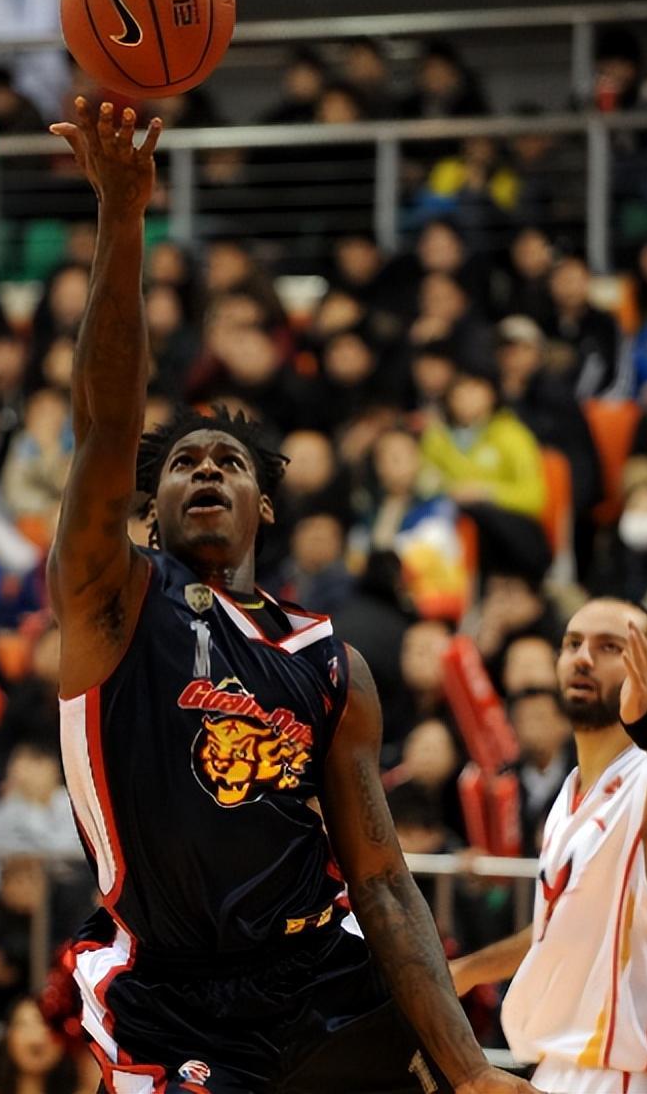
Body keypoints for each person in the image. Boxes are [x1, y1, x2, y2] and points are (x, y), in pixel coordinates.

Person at [46, 97, 532, 1094]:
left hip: (320, 981)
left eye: (228, 461)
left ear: (263, 505)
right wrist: (124, 218)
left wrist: (470, 1070)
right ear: (147, 508)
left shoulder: (327, 662)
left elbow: (382, 881)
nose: (206, 470)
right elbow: (104, 421)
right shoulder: (113, 602)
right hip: (171, 990)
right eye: (183, 464)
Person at [450, 599, 647, 1093]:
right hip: (560, 1068)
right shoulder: (569, 794)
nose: (583, 658)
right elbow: (561, 925)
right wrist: (466, 970)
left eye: (609, 647)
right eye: (573, 643)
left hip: (635, 1075)